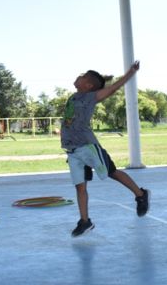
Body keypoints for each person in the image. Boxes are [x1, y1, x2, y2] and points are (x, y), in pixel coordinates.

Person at [61, 61, 149, 237]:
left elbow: (114, 88)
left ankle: (140, 194)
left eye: (83, 76)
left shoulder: (90, 97)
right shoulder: (73, 97)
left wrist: (131, 72)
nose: (78, 76)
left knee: (112, 172)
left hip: (88, 147)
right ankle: (85, 221)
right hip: (72, 150)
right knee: (80, 187)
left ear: (88, 85)